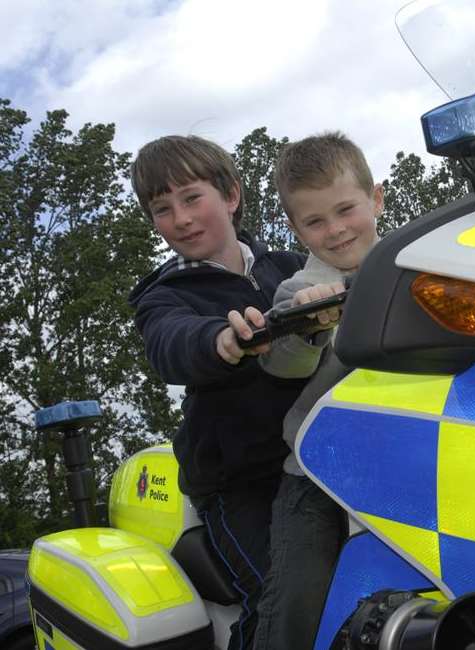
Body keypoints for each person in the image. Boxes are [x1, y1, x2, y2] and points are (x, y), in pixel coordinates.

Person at [127, 135, 306, 650]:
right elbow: (170, 341)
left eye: (191, 197)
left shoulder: (289, 268)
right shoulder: (165, 295)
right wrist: (220, 339)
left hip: (317, 459)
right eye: (163, 208)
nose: (180, 218)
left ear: (230, 195)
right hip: (238, 479)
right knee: (282, 596)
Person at [247, 131, 382, 650]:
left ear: (376, 199)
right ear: (295, 228)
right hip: (316, 475)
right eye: (315, 221)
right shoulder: (298, 291)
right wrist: (310, 324)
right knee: (298, 605)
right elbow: (285, 367)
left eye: (346, 209)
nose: (336, 230)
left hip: (410, 459)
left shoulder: (416, 269)